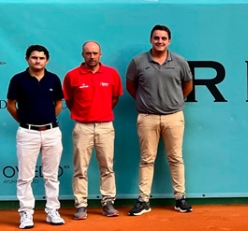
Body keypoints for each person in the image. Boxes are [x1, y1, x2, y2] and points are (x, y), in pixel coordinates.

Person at [125, 25, 194, 215]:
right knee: (147, 159)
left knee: (176, 158)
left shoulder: (180, 62)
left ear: (169, 41)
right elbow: (131, 86)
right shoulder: (138, 62)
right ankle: (143, 200)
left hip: (174, 117)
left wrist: (176, 101)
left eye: (164, 38)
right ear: (151, 40)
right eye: (156, 38)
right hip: (147, 117)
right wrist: (145, 102)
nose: (160, 41)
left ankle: (180, 198)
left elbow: (188, 85)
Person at [63, 41, 124, 220]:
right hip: (82, 127)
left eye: (95, 53)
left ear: (100, 54)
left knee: (107, 167)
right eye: (88, 53)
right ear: (83, 54)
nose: (92, 57)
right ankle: (81, 204)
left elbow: (114, 99)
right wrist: (85, 116)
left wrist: (101, 113)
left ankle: (108, 202)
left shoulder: (112, 74)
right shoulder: (72, 76)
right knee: (80, 168)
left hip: (105, 126)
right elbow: (70, 102)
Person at [6, 45, 65, 229]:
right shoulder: (18, 80)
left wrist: (48, 121)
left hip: (51, 132)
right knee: (25, 177)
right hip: (27, 133)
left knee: (52, 176)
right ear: (27, 59)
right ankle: (26, 213)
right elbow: (11, 104)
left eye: (41, 58)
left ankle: (52, 211)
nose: (37, 61)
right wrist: (25, 122)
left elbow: (58, 104)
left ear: (46, 60)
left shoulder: (53, 79)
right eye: (34, 57)